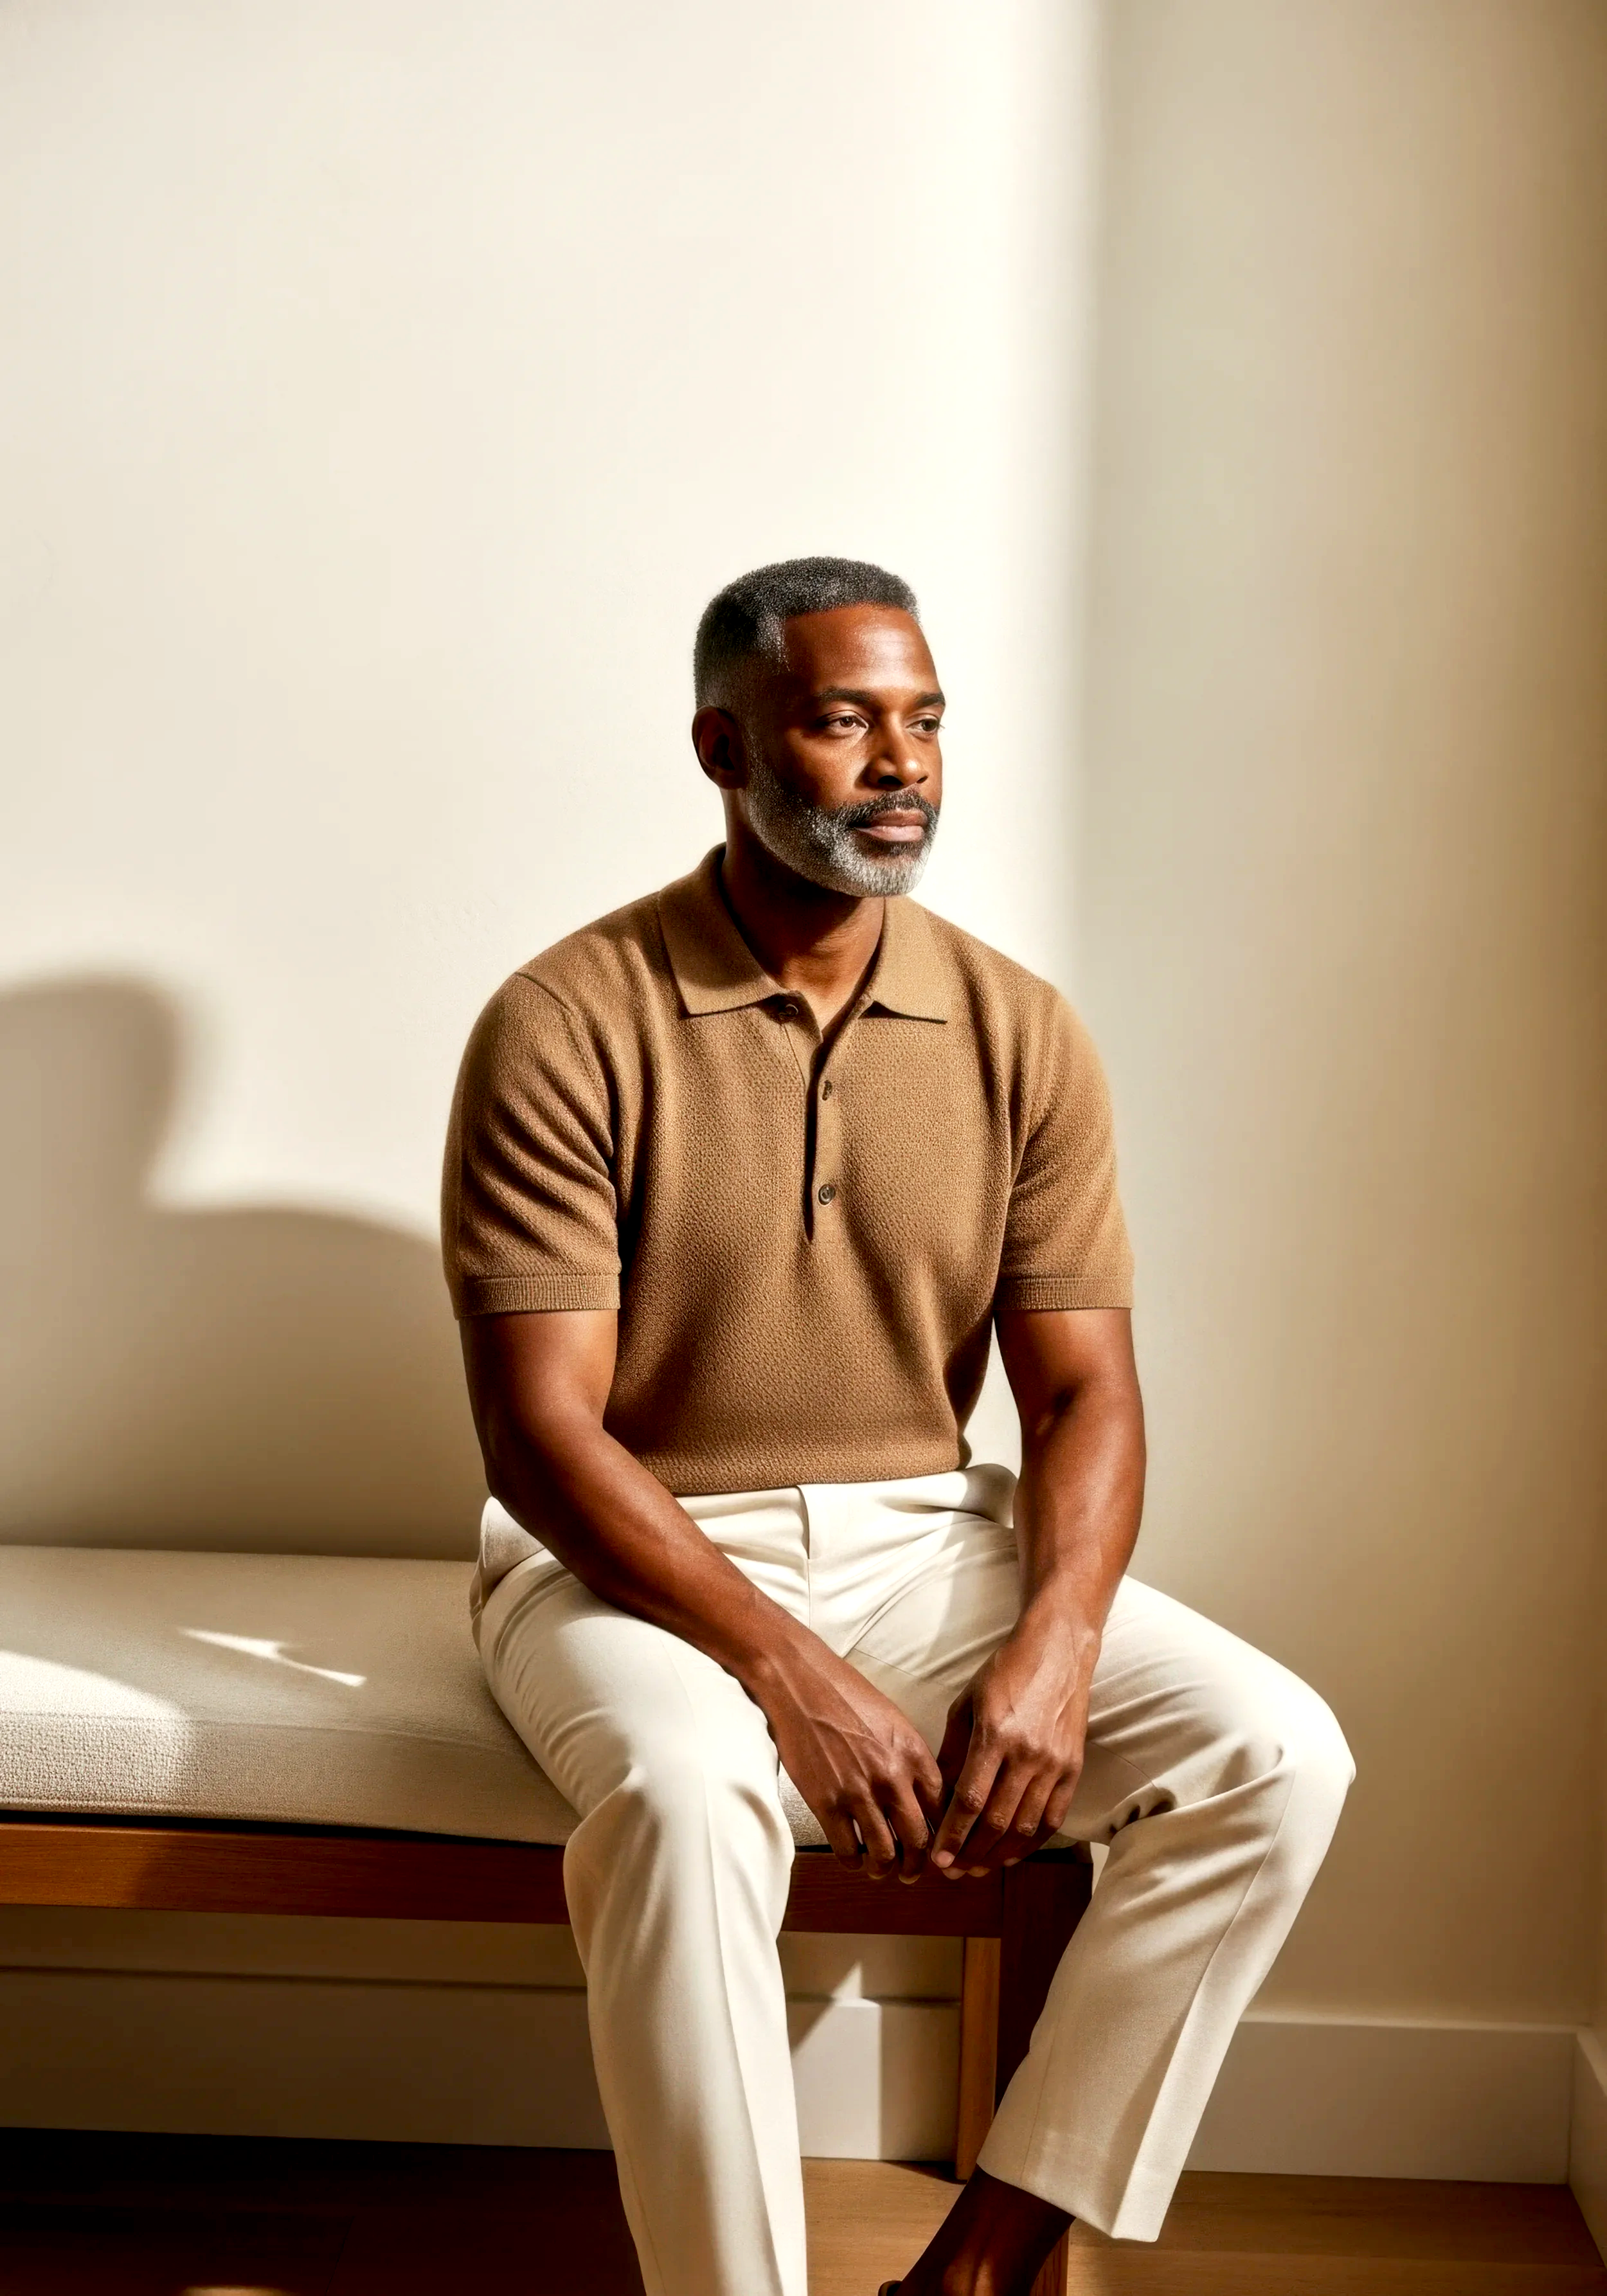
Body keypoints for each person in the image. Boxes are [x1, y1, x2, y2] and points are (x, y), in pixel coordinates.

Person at [442, 557, 1352, 2296]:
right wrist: (786, 1672)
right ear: (723, 744)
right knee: (688, 1788)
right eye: (840, 719)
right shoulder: (568, 1020)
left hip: (920, 1538)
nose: (899, 762)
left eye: (922, 718)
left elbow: (1082, 1388)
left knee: (1275, 1752)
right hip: (619, 1569)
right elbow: (540, 1437)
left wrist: (1057, 1643)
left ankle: (983, 2264)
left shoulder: (1018, 1031)